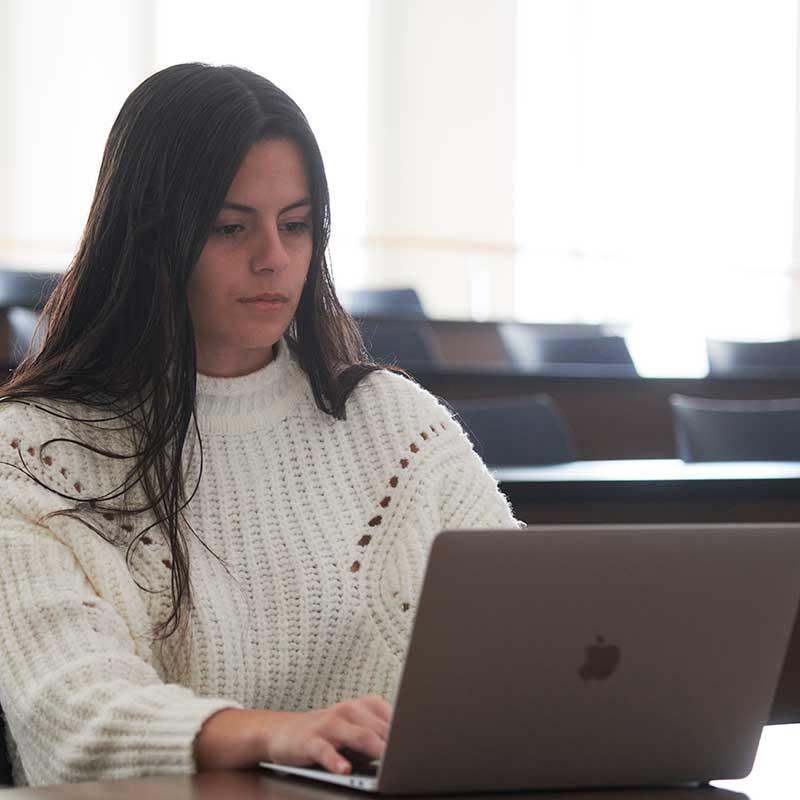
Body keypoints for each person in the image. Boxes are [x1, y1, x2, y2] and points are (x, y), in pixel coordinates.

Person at [0, 62, 520, 787]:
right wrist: (279, 734)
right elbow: (72, 706)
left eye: (297, 225)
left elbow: (530, 638)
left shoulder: (394, 422)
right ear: (151, 237)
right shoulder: (31, 450)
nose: (274, 258)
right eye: (229, 227)